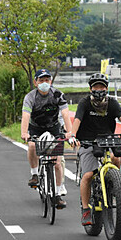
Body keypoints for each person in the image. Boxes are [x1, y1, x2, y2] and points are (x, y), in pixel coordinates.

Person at [71, 73, 121, 226]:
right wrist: (72, 136)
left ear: (107, 88)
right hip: (87, 141)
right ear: (90, 88)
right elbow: (77, 120)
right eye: (96, 86)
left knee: (116, 158)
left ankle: (114, 184)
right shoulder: (84, 103)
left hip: (107, 140)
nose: (99, 89)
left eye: (102, 86)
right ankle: (85, 210)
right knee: (89, 175)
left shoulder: (112, 103)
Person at [21, 69, 73, 209]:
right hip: (36, 127)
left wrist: (69, 132)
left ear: (51, 81)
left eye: (47, 80)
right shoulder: (30, 97)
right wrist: (24, 132)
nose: (44, 83)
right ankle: (35, 175)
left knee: (56, 162)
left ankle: (57, 194)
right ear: (35, 82)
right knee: (32, 146)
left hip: (53, 127)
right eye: (41, 80)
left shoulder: (57, 94)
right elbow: (26, 115)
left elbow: (65, 113)